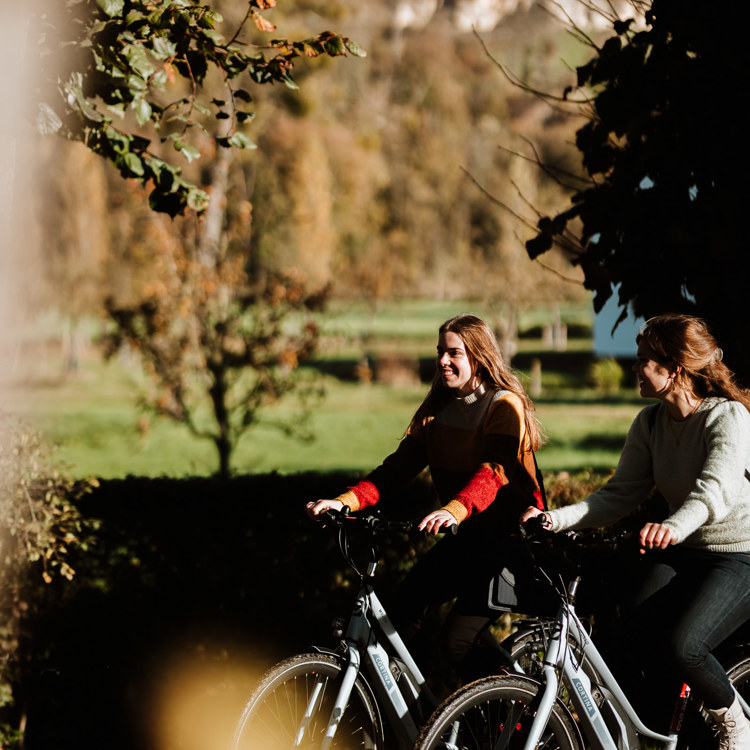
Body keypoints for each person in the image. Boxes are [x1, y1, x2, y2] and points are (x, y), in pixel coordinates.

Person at [522, 313, 750, 749]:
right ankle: (665, 734)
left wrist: (671, 527)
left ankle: (735, 723)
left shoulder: (728, 417)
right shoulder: (650, 422)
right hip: (686, 549)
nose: (634, 366)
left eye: (644, 360)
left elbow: (713, 492)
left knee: (685, 645)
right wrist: (556, 518)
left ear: (675, 369)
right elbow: (618, 494)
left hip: (740, 553)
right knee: (626, 641)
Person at [307, 313, 546, 683]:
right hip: (467, 539)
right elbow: (396, 469)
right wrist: (344, 502)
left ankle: (508, 719)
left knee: (456, 643)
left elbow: (493, 471)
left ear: (479, 358)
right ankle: (422, 718)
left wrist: (454, 509)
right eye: (440, 352)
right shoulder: (437, 409)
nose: (442, 361)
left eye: (454, 353)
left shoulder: (503, 405)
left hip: (510, 545)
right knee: (399, 617)